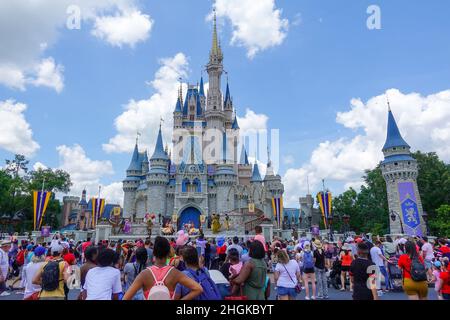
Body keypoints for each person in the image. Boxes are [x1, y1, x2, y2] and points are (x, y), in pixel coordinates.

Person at [123, 236, 202, 300]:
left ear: (154, 253)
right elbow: (198, 289)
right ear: (168, 253)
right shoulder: (175, 273)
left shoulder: (144, 274)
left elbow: (126, 298)